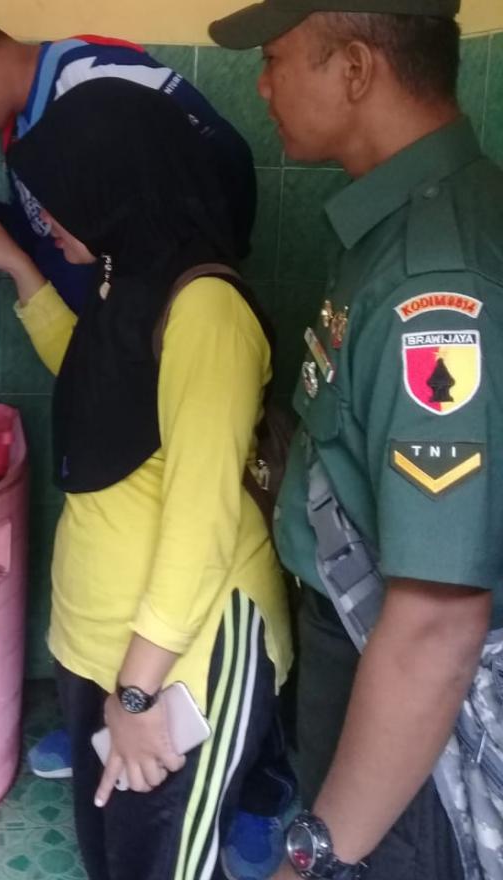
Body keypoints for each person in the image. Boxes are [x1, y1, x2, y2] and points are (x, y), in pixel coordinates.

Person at [0, 77, 293, 880]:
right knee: (116, 860)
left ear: (114, 188)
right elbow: (100, 379)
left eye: (59, 199)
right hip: (101, 646)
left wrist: (136, 693)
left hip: (182, 661)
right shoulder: (127, 281)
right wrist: (19, 269)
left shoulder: (207, 310)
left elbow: (202, 518)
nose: (46, 219)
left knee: (162, 864)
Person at [208, 1, 503, 878]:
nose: (263, 86)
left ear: (356, 69)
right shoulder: (408, 221)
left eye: (275, 59)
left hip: (402, 696)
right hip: (364, 648)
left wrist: (319, 852)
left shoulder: (433, 283)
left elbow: (437, 620)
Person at [0, 0, 257, 313]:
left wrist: (202, 276)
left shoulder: (94, 75)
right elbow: (33, 238)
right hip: (95, 341)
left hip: (157, 336)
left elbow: (226, 155)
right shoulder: (19, 134)